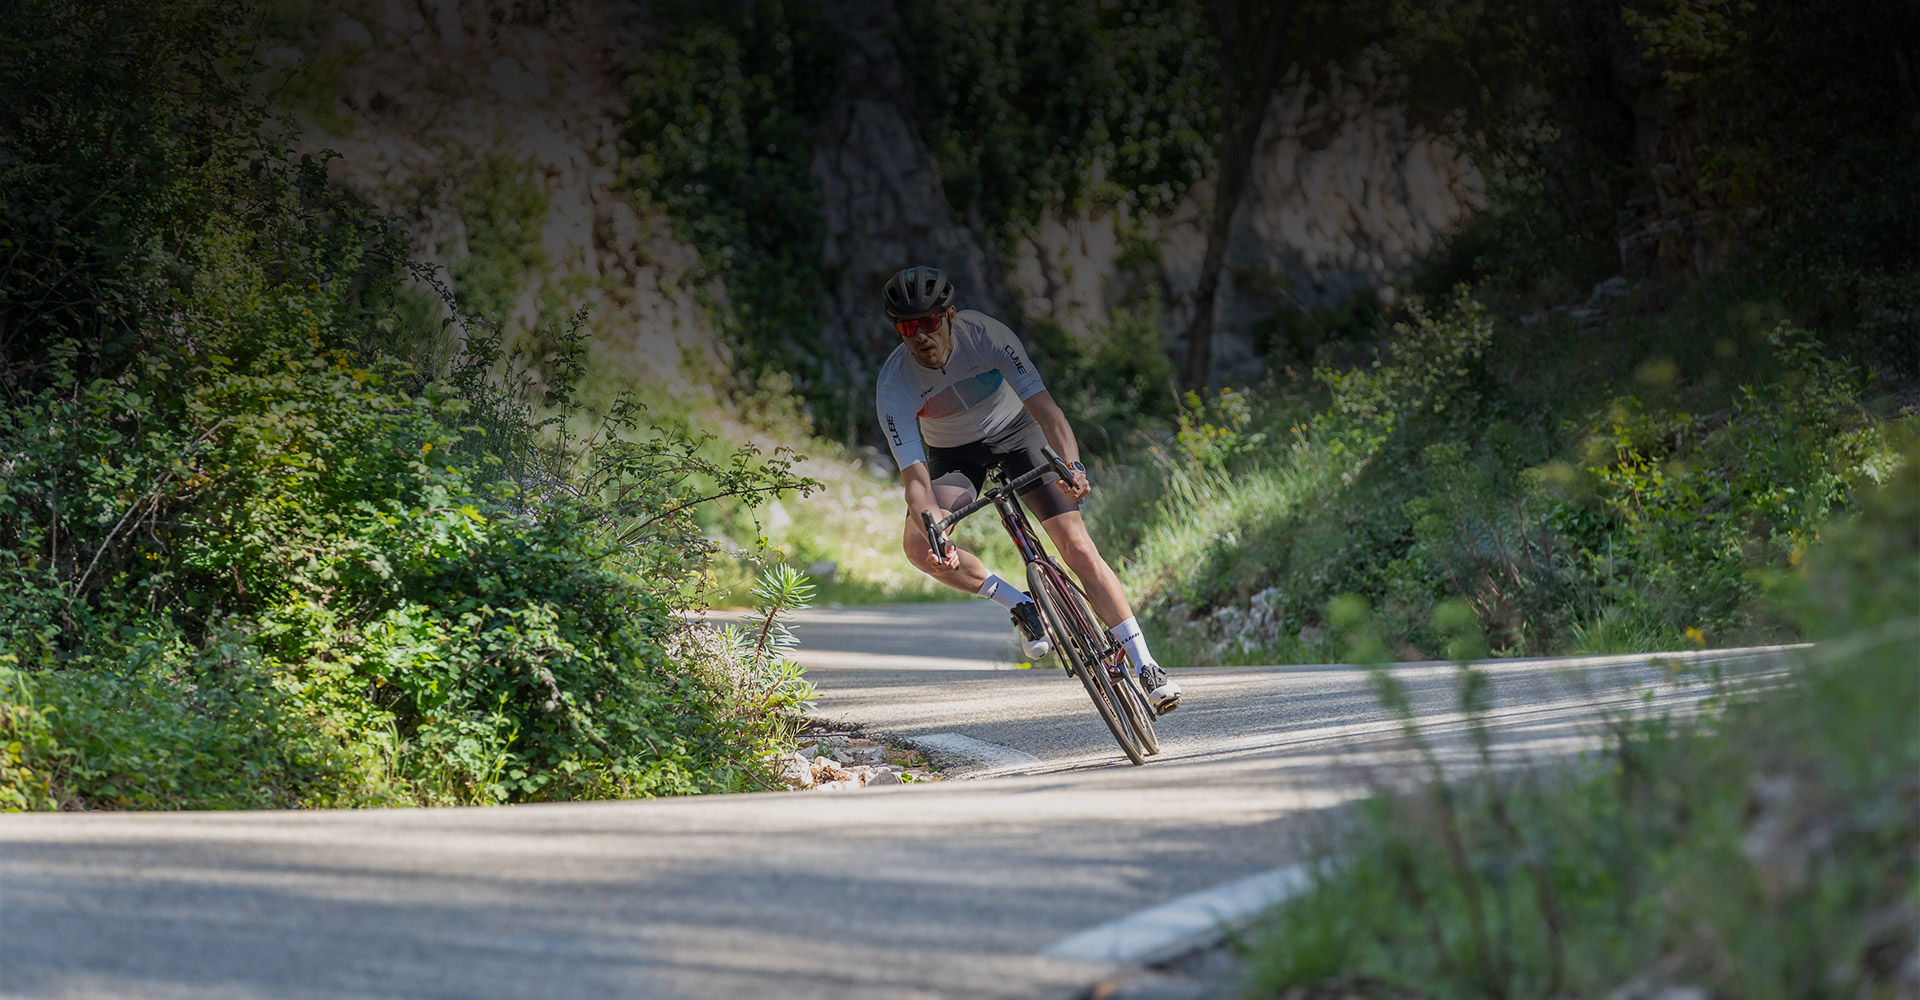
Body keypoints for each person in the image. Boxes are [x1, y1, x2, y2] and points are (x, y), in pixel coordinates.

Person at [874, 265, 1182, 714]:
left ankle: (1145, 663)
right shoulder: (893, 385)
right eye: (907, 326)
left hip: (1018, 433)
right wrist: (936, 529)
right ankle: (1020, 605)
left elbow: (1048, 413)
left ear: (951, 316)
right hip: (954, 457)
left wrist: (1071, 466)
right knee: (919, 547)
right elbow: (916, 482)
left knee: (1076, 545)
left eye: (929, 321)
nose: (920, 334)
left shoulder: (988, 336)